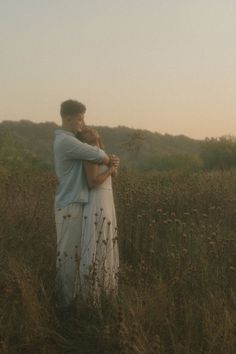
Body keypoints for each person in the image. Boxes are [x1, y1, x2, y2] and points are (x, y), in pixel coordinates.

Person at [53, 99, 119, 307]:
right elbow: (97, 153)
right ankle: (64, 304)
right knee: (67, 257)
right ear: (68, 117)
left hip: (75, 203)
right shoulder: (65, 141)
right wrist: (111, 162)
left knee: (75, 255)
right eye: (80, 119)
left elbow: (96, 153)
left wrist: (107, 160)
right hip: (70, 204)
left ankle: (74, 300)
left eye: (83, 118)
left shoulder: (70, 140)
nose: (82, 123)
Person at [76, 128, 119, 305]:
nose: (90, 130)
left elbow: (113, 174)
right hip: (97, 199)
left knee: (106, 239)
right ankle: (91, 294)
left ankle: (106, 288)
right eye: (85, 132)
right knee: (96, 240)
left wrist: (113, 163)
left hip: (107, 199)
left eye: (91, 129)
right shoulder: (90, 154)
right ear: (83, 141)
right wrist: (111, 168)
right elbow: (93, 182)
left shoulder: (101, 154)